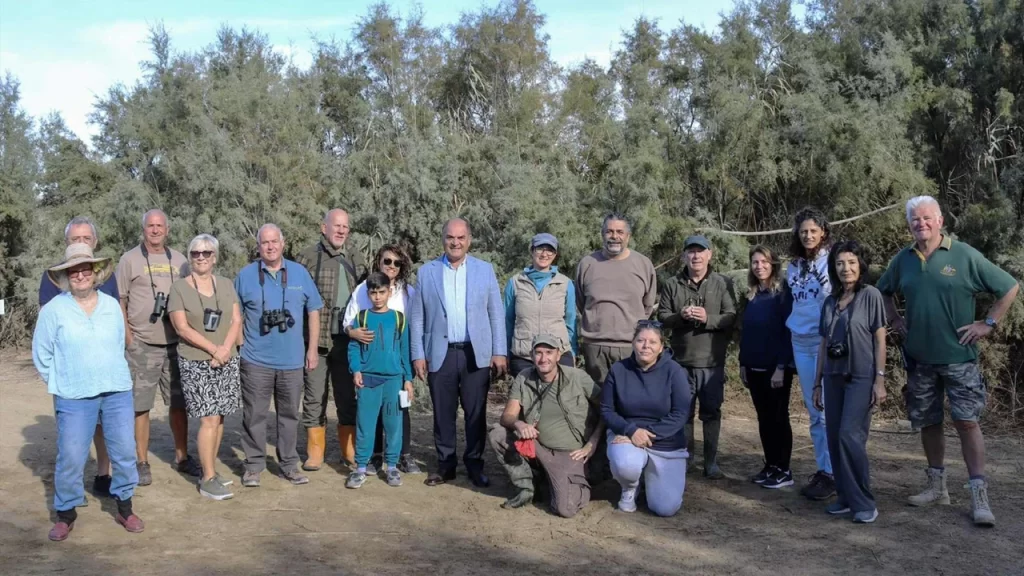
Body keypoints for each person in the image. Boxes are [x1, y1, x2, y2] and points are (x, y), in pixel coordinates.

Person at [878, 196, 1019, 527]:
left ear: (940, 221)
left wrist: (988, 323)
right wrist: (894, 319)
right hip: (920, 360)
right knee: (929, 422)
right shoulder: (903, 259)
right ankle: (936, 487)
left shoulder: (964, 255)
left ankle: (979, 494)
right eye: (915, 219)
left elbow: (1009, 287)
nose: (921, 224)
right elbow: (883, 291)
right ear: (909, 225)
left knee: (967, 422)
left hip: (959, 359)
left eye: (927, 218)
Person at [33, 244, 144, 541]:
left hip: (116, 390)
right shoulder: (54, 310)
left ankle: (125, 508)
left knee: (124, 451)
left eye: (85, 269)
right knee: (71, 455)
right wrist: (61, 381)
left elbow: (118, 343)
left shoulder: (111, 305)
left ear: (95, 274)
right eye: (74, 271)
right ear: (66, 276)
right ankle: (65, 514)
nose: (80, 275)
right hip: (73, 395)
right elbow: (41, 353)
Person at [409, 218, 507, 487]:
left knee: (476, 413)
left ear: (469, 240)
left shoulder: (484, 270)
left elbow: (496, 314)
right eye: (450, 237)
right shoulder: (427, 272)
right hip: (440, 353)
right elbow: (417, 317)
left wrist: (499, 351)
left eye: (461, 237)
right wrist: (418, 354)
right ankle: (446, 465)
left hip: (475, 353)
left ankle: (475, 464)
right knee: (443, 413)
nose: (455, 242)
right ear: (443, 239)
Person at [234, 224, 323, 488]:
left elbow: (314, 310)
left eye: (274, 241)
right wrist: (240, 345)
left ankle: (289, 465)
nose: (270, 247)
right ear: (258, 246)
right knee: (254, 415)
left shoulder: (299, 273)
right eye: (265, 242)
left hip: (292, 361)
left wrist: (312, 349)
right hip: (255, 360)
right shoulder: (245, 275)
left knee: (289, 415)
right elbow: (235, 313)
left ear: (283, 244)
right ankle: (253, 466)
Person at [38, 216, 118, 499]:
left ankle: (104, 474)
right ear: (66, 243)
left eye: (86, 238)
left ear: (95, 241)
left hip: (104, 371)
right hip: (71, 375)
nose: (81, 242)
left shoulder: (108, 278)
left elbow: (116, 317)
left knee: (104, 426)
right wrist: (56, 376)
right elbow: (47, 327)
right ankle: (71, 490)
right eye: (75, 239)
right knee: (72, 434)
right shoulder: (53, 279)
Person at [115, 209, 195, 486]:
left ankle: (182, 457)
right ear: (143, 229)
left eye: (160, 225)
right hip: (142, 344)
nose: (155, 230)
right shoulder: (129, 260)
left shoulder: (181, 260)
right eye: (151, 225)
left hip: (175, 345)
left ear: (167, 229)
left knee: (179, 404)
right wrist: (129, 339)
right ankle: (141, 461)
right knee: (141, 407)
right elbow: (120, 301)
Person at [811, 241, 887, 524]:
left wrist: (880, 380)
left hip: (860, 376)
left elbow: (880, 340)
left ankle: (864, 502)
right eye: (840, 263)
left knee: (850, 436)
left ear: (861, 265)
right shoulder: (830, 301)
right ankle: (844, 497)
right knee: (834, 437)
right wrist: (817, 383)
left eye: (852, 262)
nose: (846, 268)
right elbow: (823, 344)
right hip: (832, 377)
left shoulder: (871, 295)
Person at [489, 334, 604, 517]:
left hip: (571, 454)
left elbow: (606, 410)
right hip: (538, 448)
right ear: (531, 355)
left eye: (549, 352)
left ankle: (565, 480)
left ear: (558, 355)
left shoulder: (577, 377)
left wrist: (592, 443)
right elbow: (507, 416)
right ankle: (528, 487)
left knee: (565, 509)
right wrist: (519, 424)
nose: (543, 358)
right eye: (539, 353)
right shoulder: (524, 377)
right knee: (498, 434)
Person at [167, 234, 243, 501]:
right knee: (208, 418)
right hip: (196, 361)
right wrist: (214, 350)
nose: (201, 257)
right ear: (190, 257)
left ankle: (211, 470)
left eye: (206, 253)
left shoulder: (226, 284)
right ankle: (207, 478)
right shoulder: (179, 288)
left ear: (215, 257)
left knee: (219, 418)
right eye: (195, 253)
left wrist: (225, 349)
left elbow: (236, 320)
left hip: (226, 358)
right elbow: (181, 328)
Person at [657, 235, 736, 478]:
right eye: (691, 251)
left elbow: (731, 316)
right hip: (681, 362)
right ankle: (687, 459)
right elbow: (662, 316)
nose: (696, 256)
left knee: (711, 413)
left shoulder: (722, 283)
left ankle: (711, 463)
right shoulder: (673, 283)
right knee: (683, 413)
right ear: (684, 256)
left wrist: (707, 319)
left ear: (709, 255)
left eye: (700, 251)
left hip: (711, 363)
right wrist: (680, 315)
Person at [294, 208, 367, 471]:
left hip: (348, 341)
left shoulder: (356, 257)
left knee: (347, 397)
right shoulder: (306, 257)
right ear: (323, 227)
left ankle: (349, 449)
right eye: (336, 225)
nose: (341, 230)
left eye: (345, 226)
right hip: (317, 340)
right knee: (315, 396)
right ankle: (315, 451)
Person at [342, 243, 420, 474]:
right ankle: (374, 456)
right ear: (379, 261)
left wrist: (409, 372)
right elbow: (349, 322)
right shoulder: (363, 289)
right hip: (370, 366)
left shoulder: (409, 293)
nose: (392, 266)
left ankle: (402, 456)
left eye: (397, 262)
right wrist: (353, 333)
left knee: (400, 410)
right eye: (387, 261)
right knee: (371, 414)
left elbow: (412, 328)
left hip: (396, 367)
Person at [602, 321, 691, 517]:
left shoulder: (674, 371)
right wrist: (631, 431)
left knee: (665, 508)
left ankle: (652, 480)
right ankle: (630, 486)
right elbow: (607, 410)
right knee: (627, 464)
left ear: (661, 347)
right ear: (633, 342)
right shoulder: (618, 369)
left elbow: (681, 412)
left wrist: (648, 434)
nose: (646, 346)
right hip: (628, 435)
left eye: (652, 342)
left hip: (666, 441)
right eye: (641, 340)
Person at [785, 206, 836, 500]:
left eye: (813, 231)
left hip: (823, 340)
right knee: (814, 410)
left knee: (827, 409)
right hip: (800, 340)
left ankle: (834, 472)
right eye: (803, 231)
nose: (808, 235)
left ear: (823, 232)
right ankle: (823, 470)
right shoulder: (793, 266)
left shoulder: (832, 260)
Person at [575, 213, 658, 386]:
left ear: (628, 236)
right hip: (595, 347)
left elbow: (648, 306)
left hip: (631, 346)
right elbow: (581, 302)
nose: (614, 236)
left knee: (631, 395)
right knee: (598, 397)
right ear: (602, 234)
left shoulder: (643, 264)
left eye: (620, 232)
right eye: (609, 231)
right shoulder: (587, 264)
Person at [739, 245, 795, 489]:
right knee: (764, 418)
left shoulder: (783, 294)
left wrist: (781, 366)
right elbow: (746, 331)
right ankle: (770, 464)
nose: (759, 266)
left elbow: (787, 331)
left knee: (778, 417)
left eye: (764, 261)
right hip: (753, 366)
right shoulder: (752, 295)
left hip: (776, 369)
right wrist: (743, 362)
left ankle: (784, 469)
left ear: (773, 264)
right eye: (755, 262)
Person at [503, 233, 578, 376]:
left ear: (555, 254)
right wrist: (504, 352)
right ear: (532, 251)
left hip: (558, 355)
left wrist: (573, 352)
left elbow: (571, 321)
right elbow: (507, 322)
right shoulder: (515, 282)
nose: (544, 254)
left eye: (550, 250)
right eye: (539, 249)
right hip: (523, 357)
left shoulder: (565, 283)